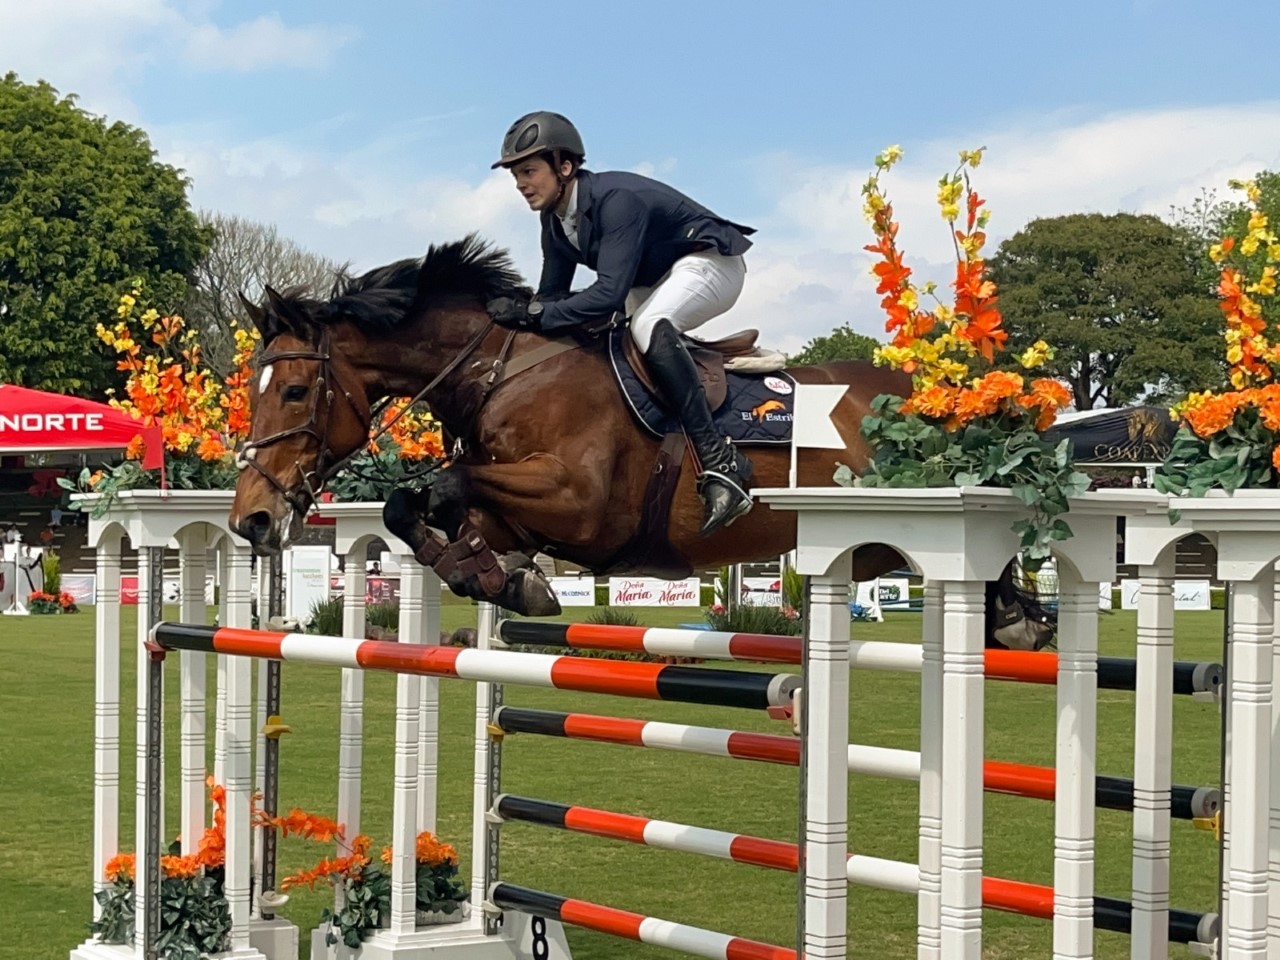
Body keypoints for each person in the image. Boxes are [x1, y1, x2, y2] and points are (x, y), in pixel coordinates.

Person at [487, 111, 756, 537]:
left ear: (565, 167)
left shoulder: (616, 201)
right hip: (653, 279)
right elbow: (551, 297)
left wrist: (535, 313)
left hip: (711, 262)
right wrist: (513, 318)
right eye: (516, 175)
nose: (520, 183)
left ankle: (721, 461)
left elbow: (608, 295)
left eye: (529, 171)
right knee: (614, 346)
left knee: (648, 326)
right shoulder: (553, 221)